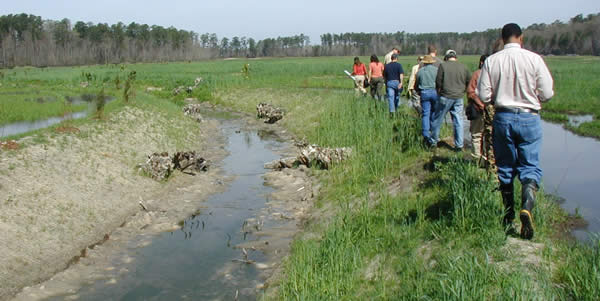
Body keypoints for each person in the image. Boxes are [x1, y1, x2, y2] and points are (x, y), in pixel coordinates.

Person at [478, 23, 554, 239]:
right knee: (530, 166)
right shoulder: (534, 59)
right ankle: (527, 207)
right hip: (529, 117)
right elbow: (547, 93)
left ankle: (508, 215)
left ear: (502, 40)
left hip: (503, 117)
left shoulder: (492, 61)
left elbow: (483, 96)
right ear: (521, 38)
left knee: (506, 167)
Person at [430, 49, 471, 151]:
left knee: (437, 120)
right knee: (458, 121)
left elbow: (438, 82)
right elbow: (469, 81)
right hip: (459, 97)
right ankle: (459, 145)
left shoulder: (443, 66)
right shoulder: (463, 67)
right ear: (455, 57)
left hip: (445, 96)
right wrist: (463, 91)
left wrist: (439, 93)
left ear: (446, 57)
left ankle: (433, 142)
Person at [466, 54, 489, 160]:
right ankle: (486, 159)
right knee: (488, 136)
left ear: (481, 62)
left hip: (478, 109)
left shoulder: (477, 74)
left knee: (476, 135)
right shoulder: (495, 74)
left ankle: (476, 159)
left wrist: (479, 104)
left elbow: (470, 92)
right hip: (491, 110)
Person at [414, 55, 438, 146]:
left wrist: (418, 91)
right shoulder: (436, 70)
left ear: (424, 62)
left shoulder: (420, 72)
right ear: (432, 62)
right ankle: (434, 133)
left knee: (425, 114)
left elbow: (416, 85)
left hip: (424, 93)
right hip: (435, 92)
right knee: (434, 113)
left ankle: (425, 135)